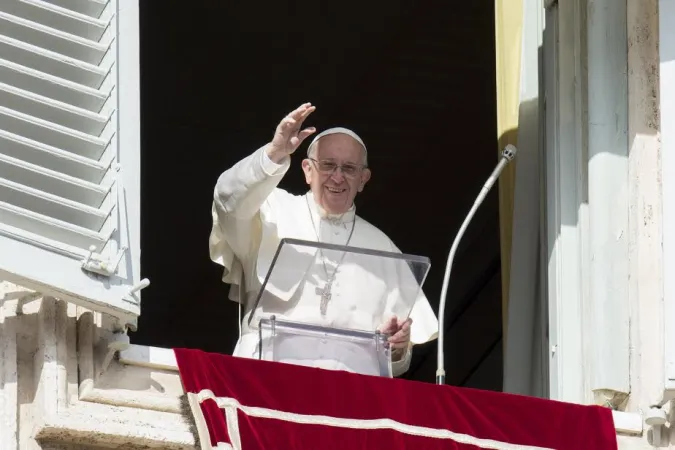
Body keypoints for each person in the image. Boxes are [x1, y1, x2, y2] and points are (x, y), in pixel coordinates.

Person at [209, 102, 438, 376]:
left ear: (363, 179)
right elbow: (227, 200)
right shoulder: (270, 212)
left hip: (350, 393)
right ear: (307, 170)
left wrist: (398, 348)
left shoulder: (382, 246)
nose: (337, 177)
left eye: (349, 168)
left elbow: (395, 362)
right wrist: (275, 152)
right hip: (269, 376)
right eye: (328, 165)